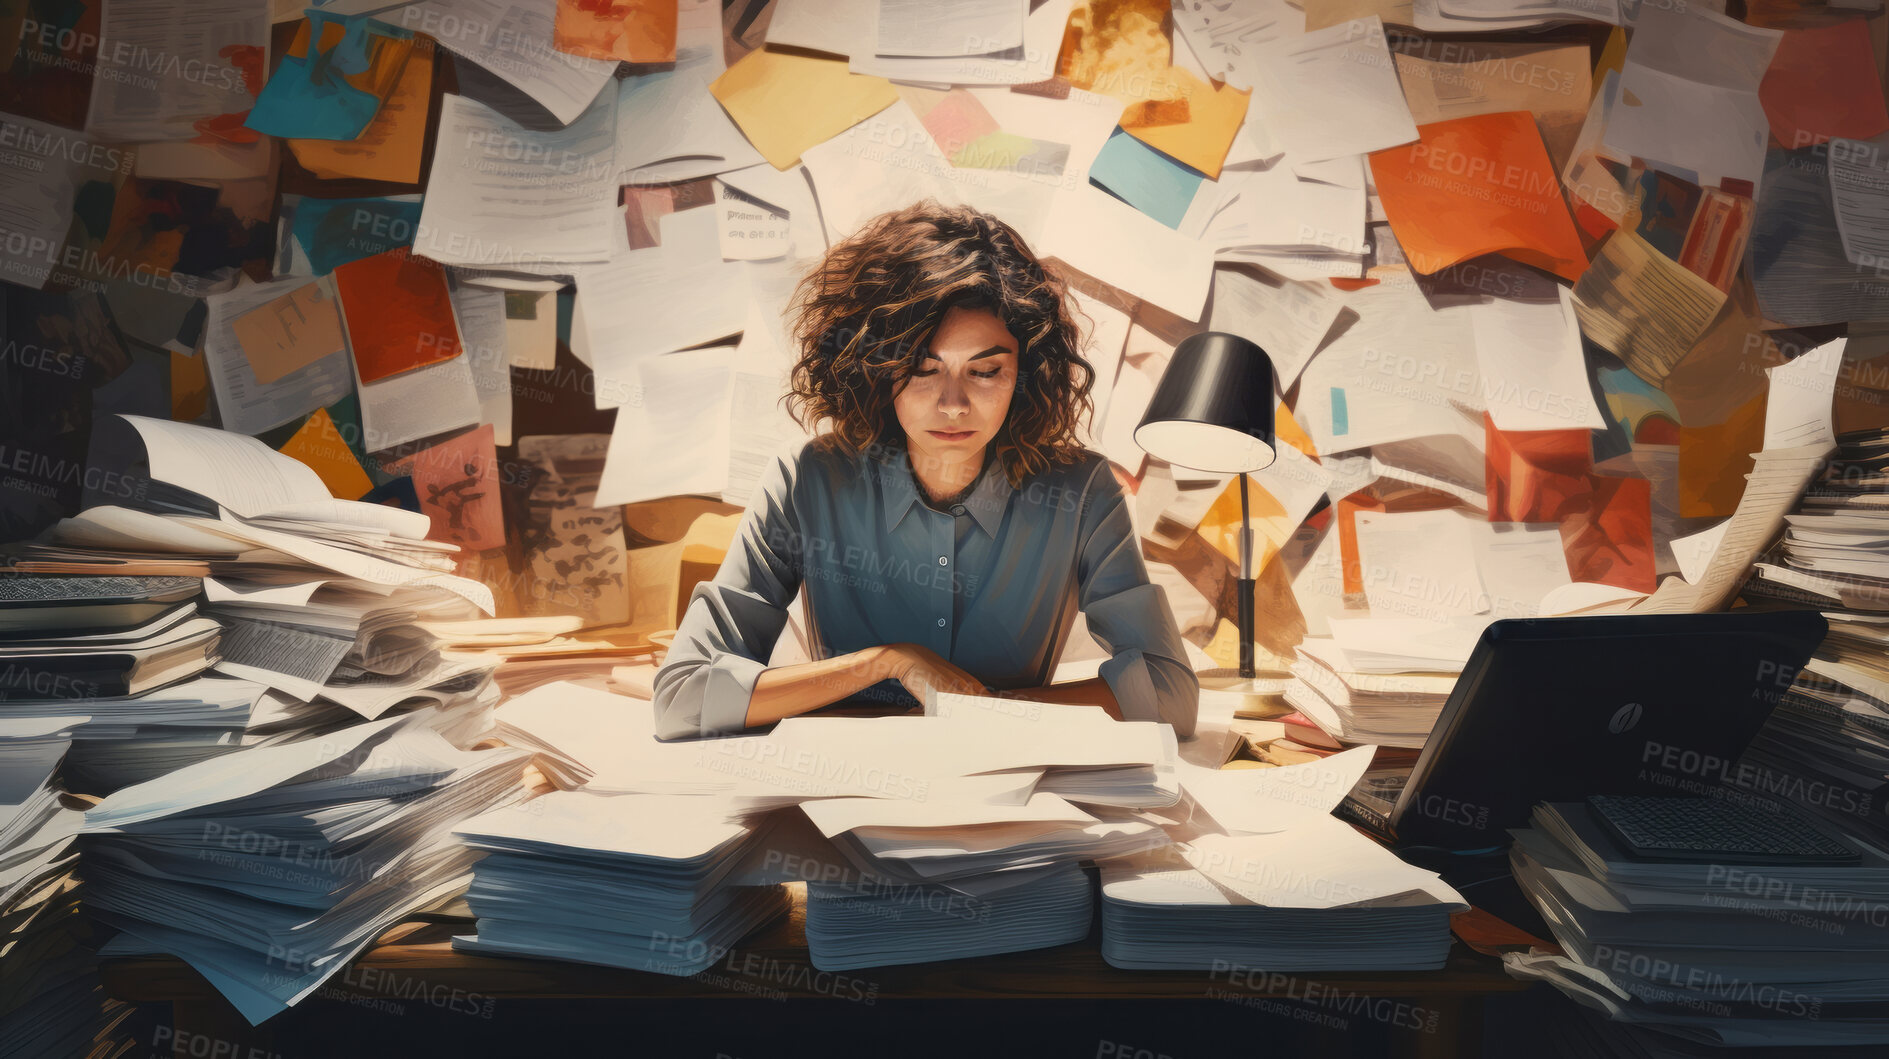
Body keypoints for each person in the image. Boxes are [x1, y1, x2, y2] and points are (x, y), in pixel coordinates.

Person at [651, 200, 1199, 740]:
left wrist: (983, 712)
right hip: (839, 787)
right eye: (921, 370)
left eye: (985, 371)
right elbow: (683, 697)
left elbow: (1170, 693)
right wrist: (888, 663)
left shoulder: (1082, 493)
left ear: (1025, 373)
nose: (954, 404)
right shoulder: (807, 480)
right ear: (877, 369)